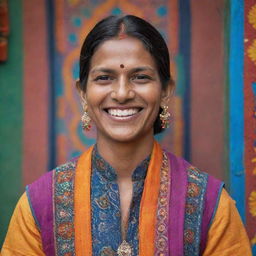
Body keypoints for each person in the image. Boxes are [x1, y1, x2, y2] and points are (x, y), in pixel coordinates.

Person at [1, 15, 252, 256]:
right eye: (104, 78)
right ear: (83, 93)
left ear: (165, 91)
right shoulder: (41, 204)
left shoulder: (209, 205)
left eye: (140, 77)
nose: (122, 93)